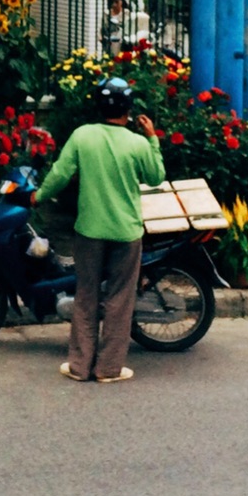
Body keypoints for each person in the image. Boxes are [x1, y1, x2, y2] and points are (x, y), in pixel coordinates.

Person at [33, 76, 166, 383]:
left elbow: (59, 173)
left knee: (86, 295)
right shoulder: (137, 143)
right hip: (126, 231)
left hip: (89, 230)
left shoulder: (83, 136)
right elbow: (156, 176)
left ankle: (79, 367)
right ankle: (109, 369)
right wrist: (152, 138)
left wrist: (37, 196)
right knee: (120, 298)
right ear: (128, 109)